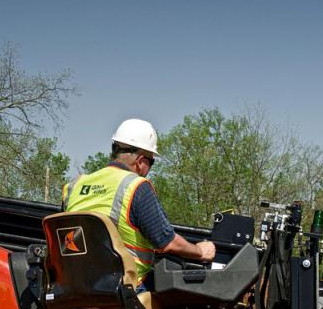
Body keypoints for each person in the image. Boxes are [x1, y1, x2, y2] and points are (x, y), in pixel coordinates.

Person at [62, 118, 216, 284]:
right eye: (151, 162)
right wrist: (200, 251)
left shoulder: (73, 186)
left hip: (72, 285)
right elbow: (167, 243)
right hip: (123, 289)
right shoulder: (136, 187)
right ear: (141, 161)